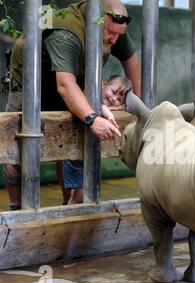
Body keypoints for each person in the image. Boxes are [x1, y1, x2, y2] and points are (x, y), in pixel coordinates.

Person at [3, 0, 141, 209]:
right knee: (15, 147)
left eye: (118, 35)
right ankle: (15, 214)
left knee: (68, 141)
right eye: (111, 33)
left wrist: (137, 108)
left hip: (69, 82)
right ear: (99, 21)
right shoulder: (67, 32)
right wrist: (92, 119)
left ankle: (68, 207)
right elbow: (65, 86)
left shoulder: (113, 26)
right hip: (29, 83)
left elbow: (131, 61)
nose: (114, 40)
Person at [65, 75, 132, 203]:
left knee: (86, 193)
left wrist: (114, 109)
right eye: (113, 92)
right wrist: (109, 112)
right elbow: (97, 107)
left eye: (119, 99)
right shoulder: (88, 95)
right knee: (79, 195)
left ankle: (73, 213)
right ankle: (67, 216)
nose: (113, 99)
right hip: (76, 151)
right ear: (104, 83)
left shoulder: (108, 102)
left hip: (90, 152)